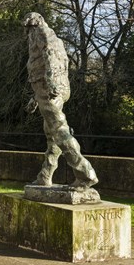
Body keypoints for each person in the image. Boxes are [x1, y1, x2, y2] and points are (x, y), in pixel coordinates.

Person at [23, 12, 98, 190]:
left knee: (59, 130)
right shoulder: (48, 36)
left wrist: (49, 84)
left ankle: (85, 174)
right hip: (49, 89)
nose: (27, 32)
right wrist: (36, 96)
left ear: (35, 24)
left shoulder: (43, 34)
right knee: (51, 134)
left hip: (49, 89)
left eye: (28, 28)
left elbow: (51, 58)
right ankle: (46, 174)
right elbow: (51, 63)